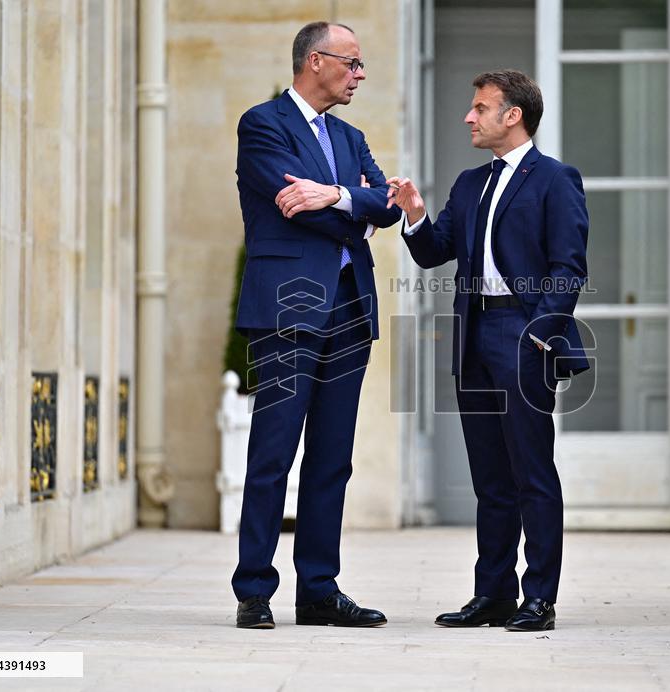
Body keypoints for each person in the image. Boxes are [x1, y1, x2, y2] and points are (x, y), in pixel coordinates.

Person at [387, 70, 590, 632]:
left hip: (523, 335)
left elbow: (569, 267)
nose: (469, 117)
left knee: (532, 473)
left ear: (513, 115)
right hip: (474, 336)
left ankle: (539, 597)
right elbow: (434, 252)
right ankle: (494, 593)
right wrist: (414, 213)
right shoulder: (469, 183)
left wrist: (539, 334)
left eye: (480, 108)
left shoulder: (555, 180)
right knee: (490, 479)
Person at [231, 21, 401, 630]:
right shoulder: (263, 124)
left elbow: (389, 205)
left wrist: (333, 196)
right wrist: (354, 203)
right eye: (352, 63)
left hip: (350, 309)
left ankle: (319, 592)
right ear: (315, 61)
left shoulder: (351, 137)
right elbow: (292, 206)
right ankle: (254, 590)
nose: (360, 75)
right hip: (287, 309)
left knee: (332, 458)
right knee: (273, 451)